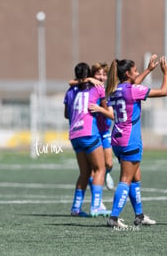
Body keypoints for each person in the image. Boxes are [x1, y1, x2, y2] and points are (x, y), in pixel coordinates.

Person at [106, 56, 167, 228]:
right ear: (128, 73)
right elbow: (164, 91)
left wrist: (148, 69)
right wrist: (166, 73)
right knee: (126, 179)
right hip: (130, 140)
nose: (138, 73)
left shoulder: (115, 90)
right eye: (135, 71)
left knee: (136, 177)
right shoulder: (133, 90)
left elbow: (132, 86)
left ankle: (139, 215)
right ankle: (113, 217)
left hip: (117, 140)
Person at [64, 62, 111, 217]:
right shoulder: (97, 88)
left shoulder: (70, 91)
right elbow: (104, 108)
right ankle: (96, 206)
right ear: (89, 75)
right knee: (100, 169)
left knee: (85, 172)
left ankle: (76, 208)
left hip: (74, 134)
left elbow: (66, 114)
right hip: (89, 132)